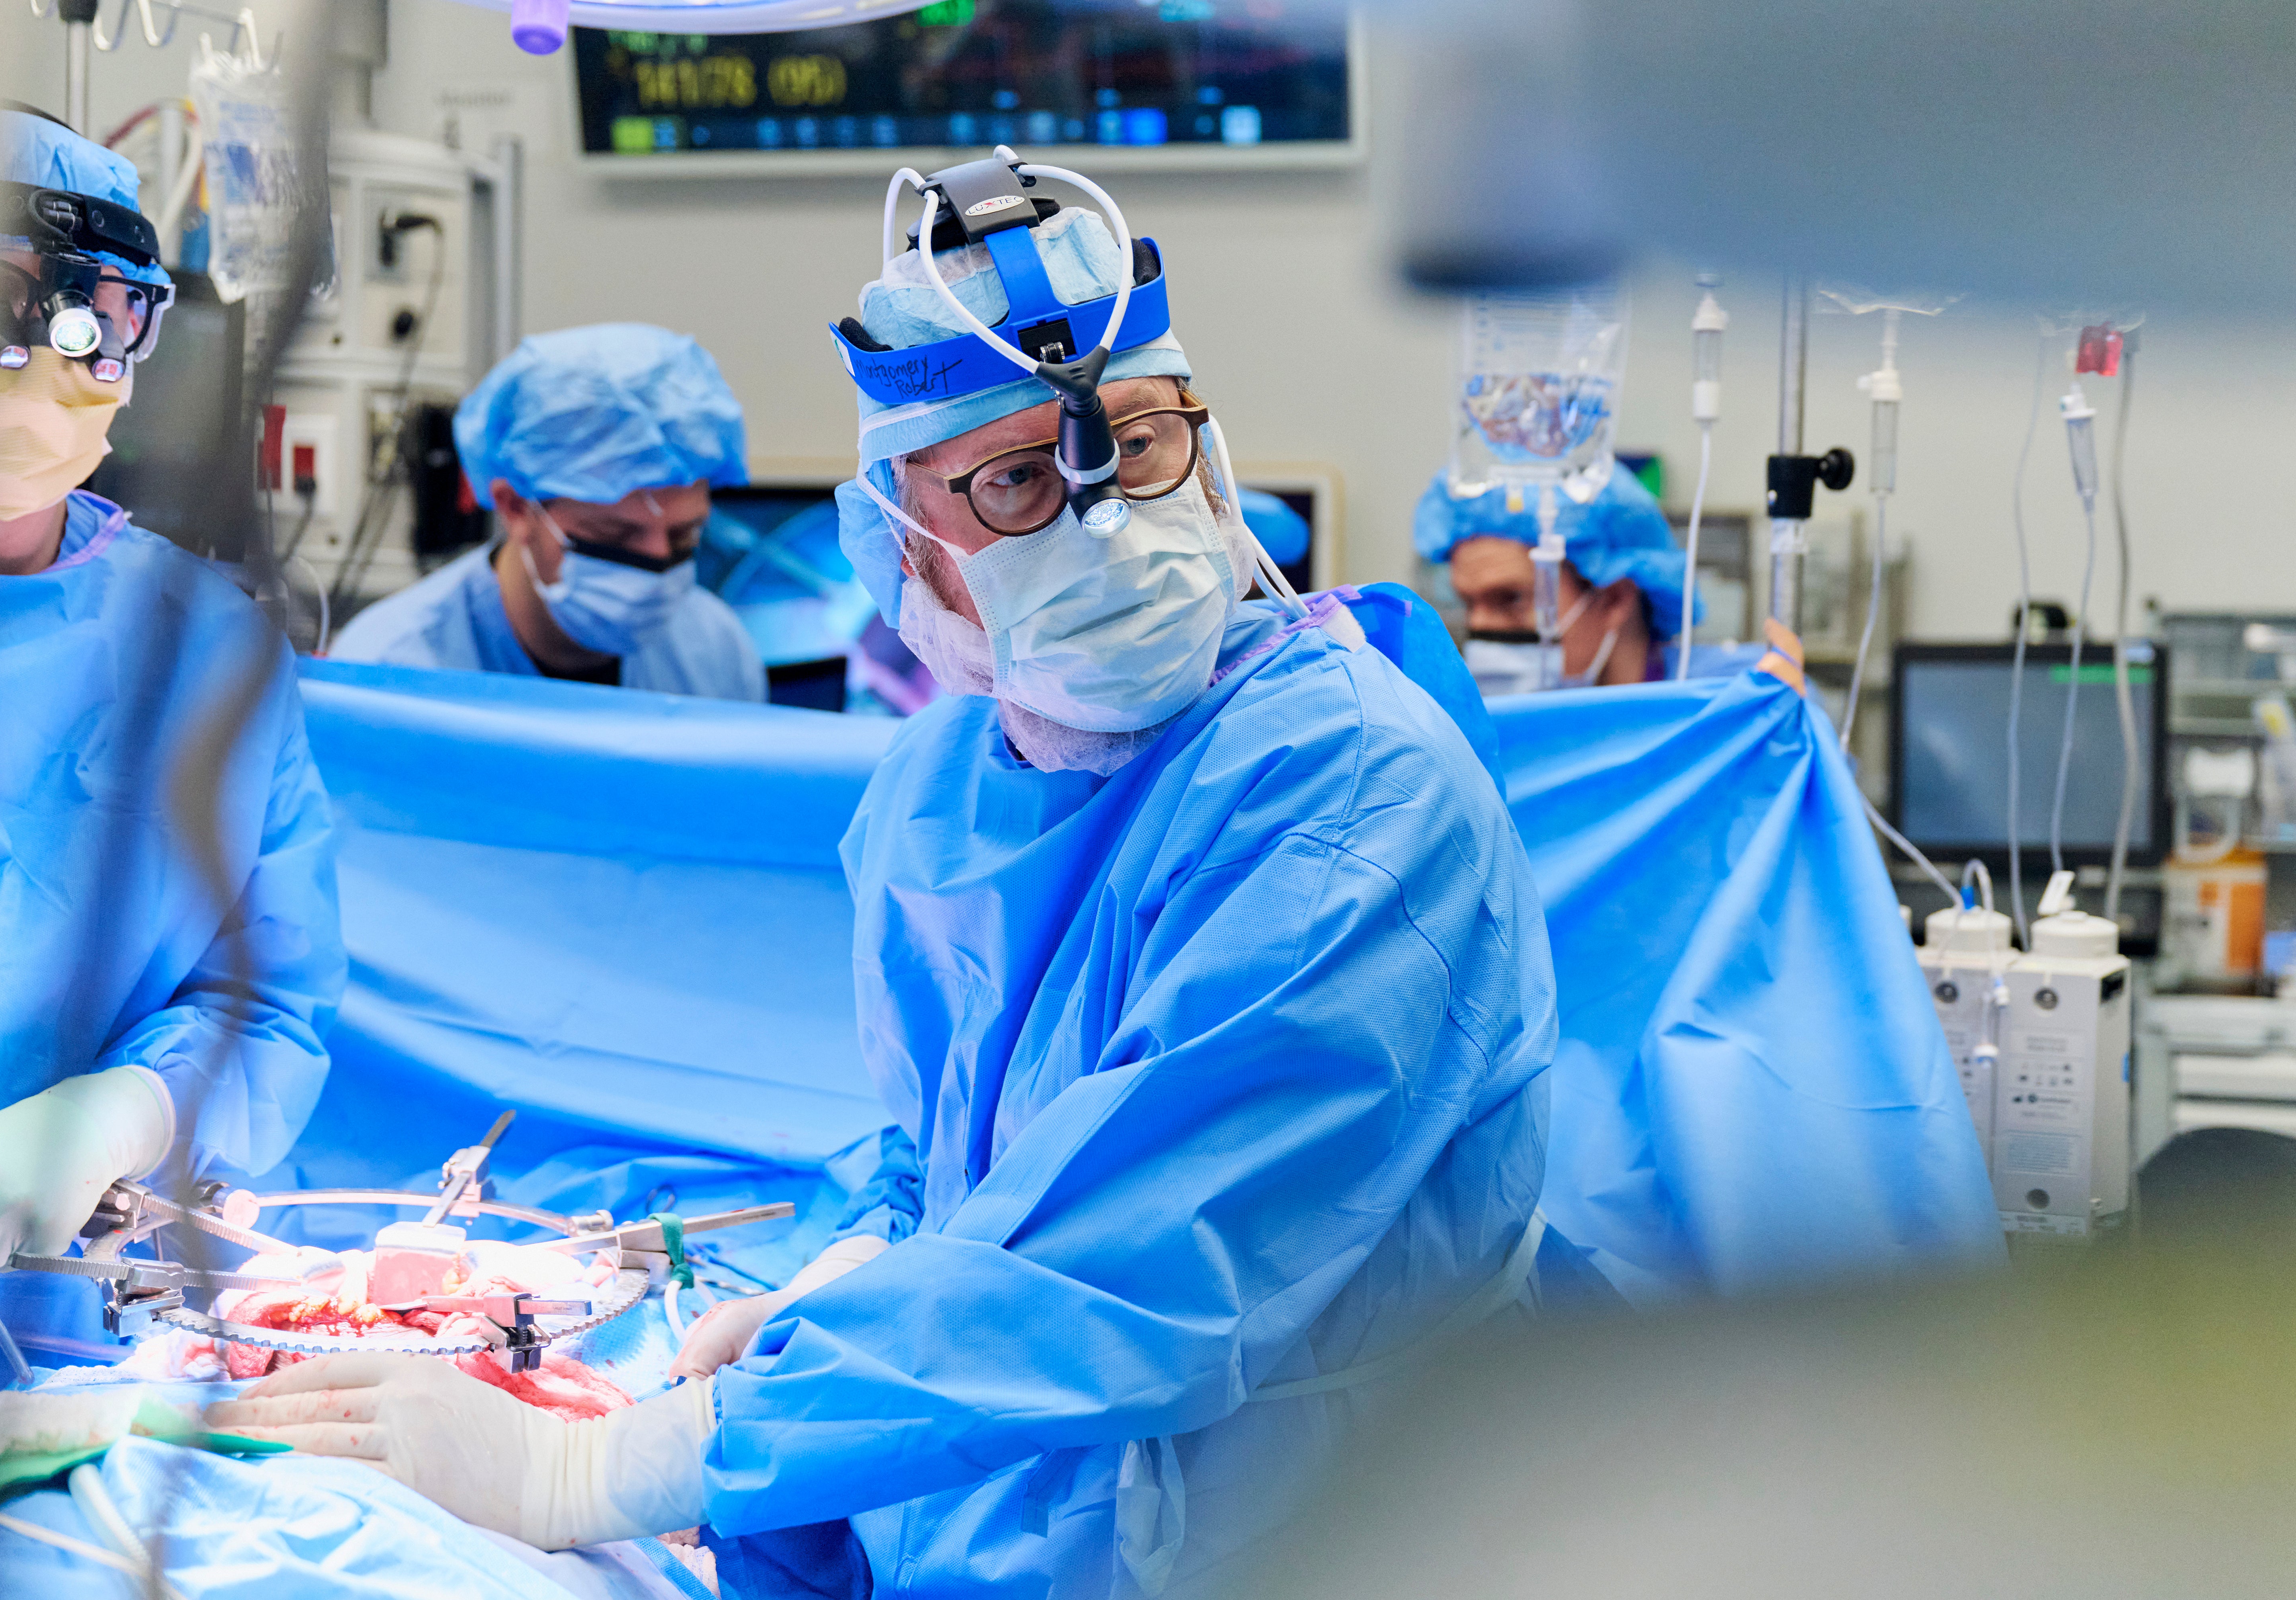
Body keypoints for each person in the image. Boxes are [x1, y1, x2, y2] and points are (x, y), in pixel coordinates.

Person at [211, 162, 1563, 1597]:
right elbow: (954, 1156)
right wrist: (854, 1254)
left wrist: (598, 1464)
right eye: (1014, 480)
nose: (1102, 518)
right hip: (1022, 1490)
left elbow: (1139, 1259)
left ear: (1212, 456)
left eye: (1140, 441)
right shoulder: (942, 795)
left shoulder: (1352, 790)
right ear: (896, 540)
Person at [0, 110, 344, 1341]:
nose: (47, 355)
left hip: (64, 1314)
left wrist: (128, 1107)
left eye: (96, 316)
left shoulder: (200, 648)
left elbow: (264, 999)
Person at [332, 324, 766, 701]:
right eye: (614, 536)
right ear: (516, 507)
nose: (656, 564)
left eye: (684, 535)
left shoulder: (715, 654)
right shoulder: (390, 675)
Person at [1414, 460, 1731, 696]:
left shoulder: (1719, 716)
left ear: (1614, 598)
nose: (1481, 626)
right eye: (1469, 604)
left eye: (1511, 598)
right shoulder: (1480, 742)